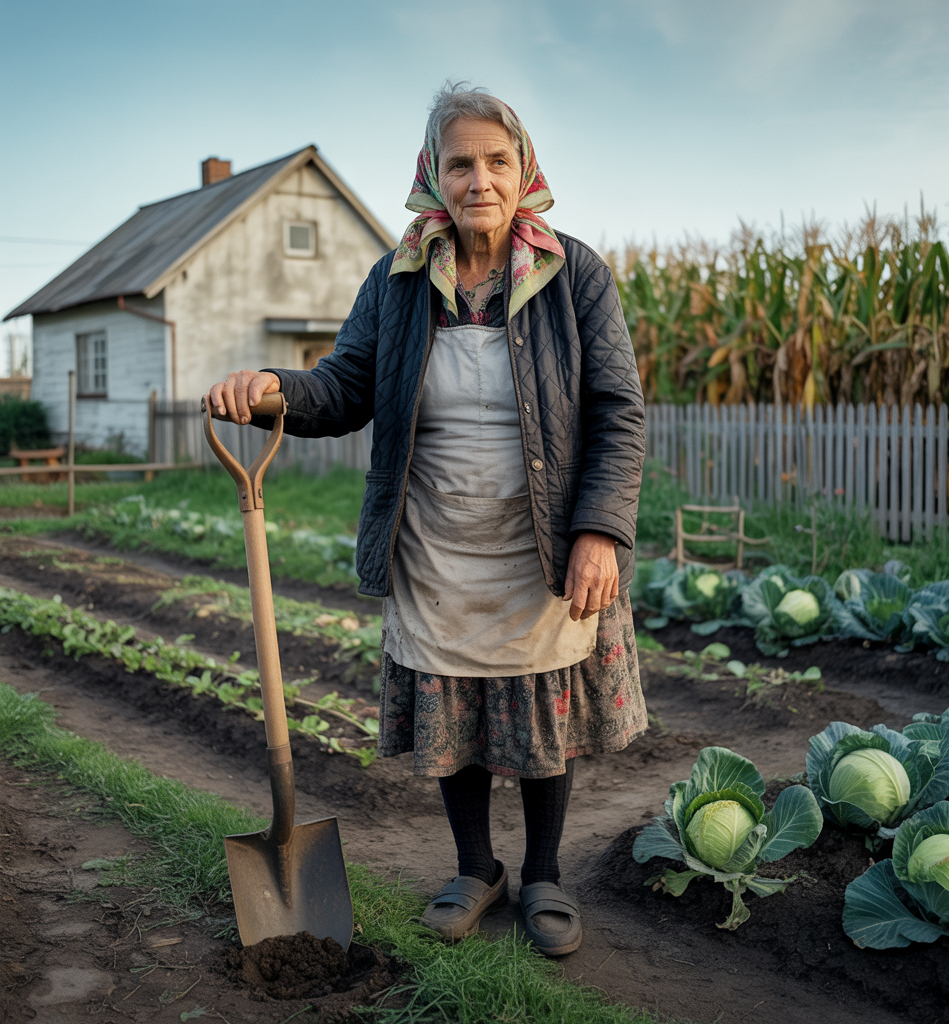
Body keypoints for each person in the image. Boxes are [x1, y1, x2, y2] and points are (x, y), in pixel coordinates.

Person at [207, 82, 647, 957]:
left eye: (496, 160)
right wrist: (271, 393)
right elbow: (343, 388)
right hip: (437, 539)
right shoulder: (400, 281)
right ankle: (477, 869)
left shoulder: (576, 274)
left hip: (544, 542)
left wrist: (601, 529)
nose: (478, 178)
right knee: (461, 711)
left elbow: (617, 410)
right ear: (431, 176)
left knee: (538, 712)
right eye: (459, 162)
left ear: (525, 172)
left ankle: (546, 874)